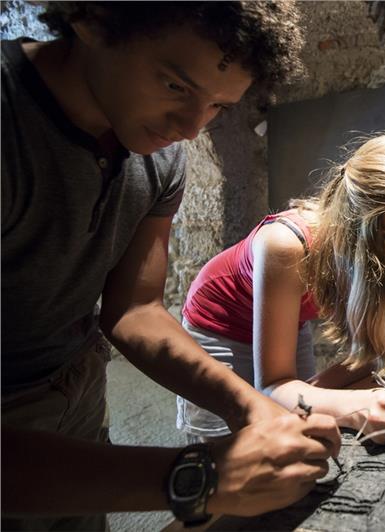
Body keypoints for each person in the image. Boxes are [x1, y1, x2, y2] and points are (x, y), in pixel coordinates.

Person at [1, 3, 340, 530]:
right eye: (175, 85)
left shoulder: (159, 157)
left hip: (77, 385)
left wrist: (247, 405)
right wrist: (193, 474)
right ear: (93, 19)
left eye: (218, 107)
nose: (189, 128)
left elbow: (134, 308)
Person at [177, 134, 385, 444]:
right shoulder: (286, 244)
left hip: (285, 318)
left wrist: (310, 397)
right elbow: (273, 386)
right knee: (234, 446)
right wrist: (354, 406)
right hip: (219, 326)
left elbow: (378, 352)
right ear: (353, 223)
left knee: (298, 425)